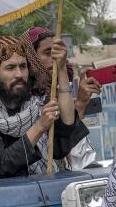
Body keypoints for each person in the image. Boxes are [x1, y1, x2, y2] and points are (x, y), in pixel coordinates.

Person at [0, 35, 87, 178]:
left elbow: (66, 131)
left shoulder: (38, 101)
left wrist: (61, 70)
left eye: (23, 66)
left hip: (46, 187)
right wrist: (39, 127)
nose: (19, 74)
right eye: (10, 68)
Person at [22, 26, 102, 169]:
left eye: (58, 53)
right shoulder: (23, 101)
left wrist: (81, 102)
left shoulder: (62, 89)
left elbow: (70, 138)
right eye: (48, 53)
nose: (56, 59)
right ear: (30, 57)